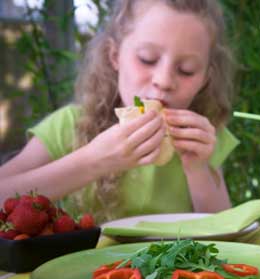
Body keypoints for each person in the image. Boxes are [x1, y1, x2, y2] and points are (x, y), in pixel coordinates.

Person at [0, 0, 239, 223]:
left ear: (205, 79)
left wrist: (197, 169)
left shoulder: (203, 136)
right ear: (114, 56)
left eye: (186, 70)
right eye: (147, 59)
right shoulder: (70, 124)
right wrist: (95, 160)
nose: (164, 80)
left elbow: (223, 230)